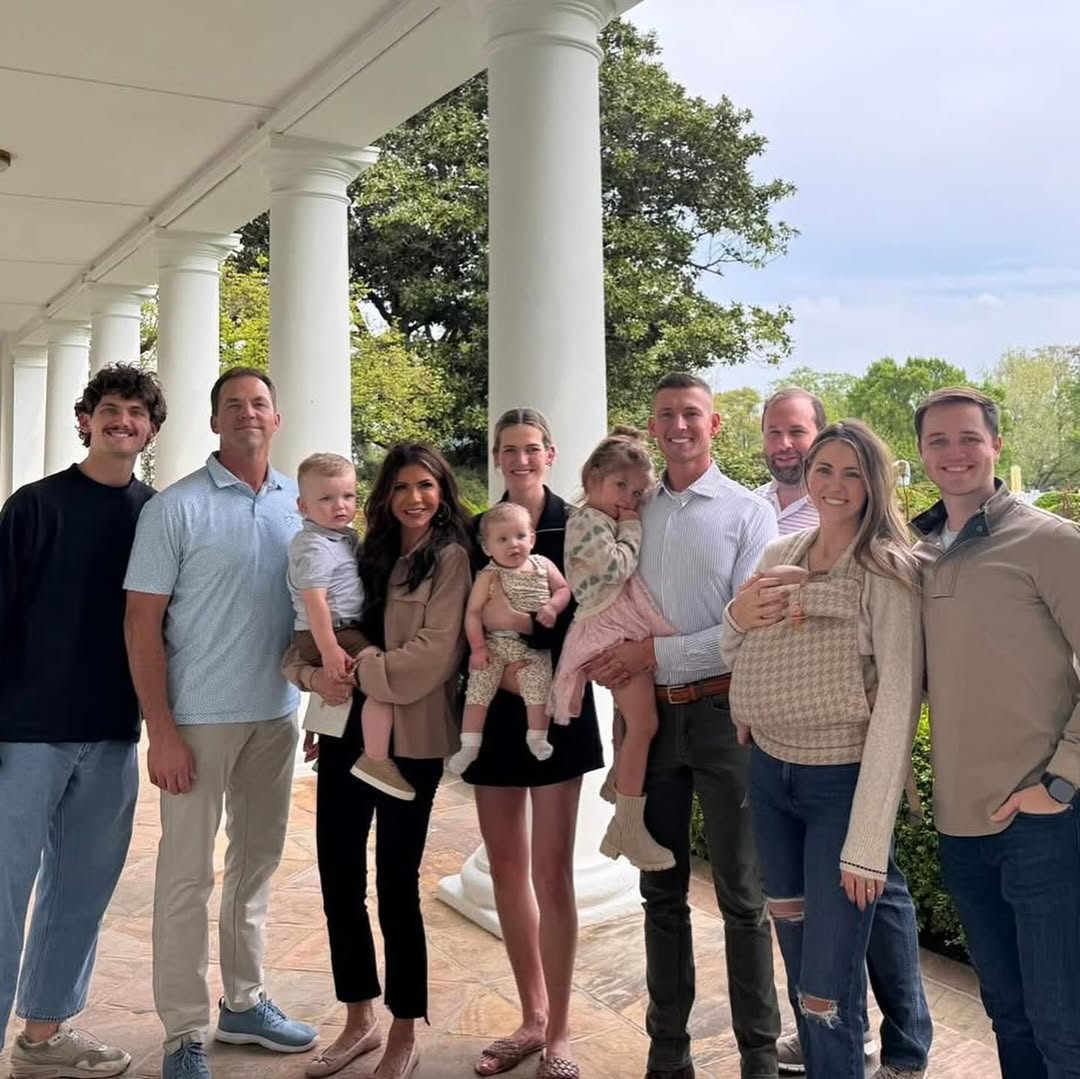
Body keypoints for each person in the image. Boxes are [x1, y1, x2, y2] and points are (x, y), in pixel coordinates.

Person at [587, 373, 781, 1079]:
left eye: (691, 413)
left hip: (725, 716)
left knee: (742, 898)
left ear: (714, 424)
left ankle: (759, 1057)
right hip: (647, 719)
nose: (678, 425)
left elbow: (747, 626)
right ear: (652, 424)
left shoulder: (748, 513)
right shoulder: (629, 508)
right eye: (665, 413)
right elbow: (600, 588)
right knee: (659, 892)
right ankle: (667, 1054)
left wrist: (652, 652)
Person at [124, 367, 315, 1079]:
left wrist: (321, 707)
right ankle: (183, 1031)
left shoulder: (301, 502)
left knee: (255, 867)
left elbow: (318, 611)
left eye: (260, 402)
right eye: (233, 404)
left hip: (278, 714)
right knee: (185, 878)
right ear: (214, 422)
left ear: (277, 417)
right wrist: (162, 731)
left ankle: (245, 1002)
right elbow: (140, 624)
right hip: (197, 723)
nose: (248, 413)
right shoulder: (174, 508)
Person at [724, 420, 930, 1079]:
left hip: (840, 782)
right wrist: (736, 618)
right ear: (807, 474)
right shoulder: (779, 551)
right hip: (769, 775)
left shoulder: (887, 571)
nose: (834, 484)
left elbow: (897, 700)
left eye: (852, 472)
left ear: (874, 483)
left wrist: (867, 840)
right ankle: (854, 1056)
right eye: (824, 469)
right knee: (795, 943)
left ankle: (865, 1054)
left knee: (824, 988)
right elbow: (737, 651)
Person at [282, 442, 472, 1079]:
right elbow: (305, 645)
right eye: (402, 487)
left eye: (426, 486)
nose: (414, 498)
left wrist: (355, 668)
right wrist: (315, 683)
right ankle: (358, 1017)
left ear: (442, 491)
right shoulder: (362, 551)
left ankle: (404, 1028)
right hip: (344, 733)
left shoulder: (450, 558)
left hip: (410, 743)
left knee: (395, 887)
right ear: (385, 495)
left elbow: (432, 657)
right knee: (338, 879)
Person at [0, 365, 165, 1079]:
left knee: (80, 890)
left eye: (136, 412)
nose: (123, 420)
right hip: (26, 731)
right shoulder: (34, 505)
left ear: (151, 430)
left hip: (111, 729)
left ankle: (42, 1038)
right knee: (2, 891)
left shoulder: (157, 515)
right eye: (110, 408)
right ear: (85, 420)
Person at [912, 386, 1080, 1079]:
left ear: (996, 446)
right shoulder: (919, 555)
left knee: (1064, 1026)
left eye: (969, 438)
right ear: (921, 453)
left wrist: (1062, 781)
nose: (954, 453)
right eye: (938, 440)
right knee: (1007, 1014)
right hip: (961, 826)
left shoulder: (1051, 541)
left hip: (1043, 822)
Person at [464, 408, 604, 1079]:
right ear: (497, 457)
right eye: (509, 449)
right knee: (506, 867)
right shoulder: (479, 531)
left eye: (531, 448)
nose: (520, 459)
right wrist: (505, 668)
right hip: (494, 713)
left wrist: (524, 644)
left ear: (550, 453)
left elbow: (586, 620)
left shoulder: (579, 527)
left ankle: (561, 1032)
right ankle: (532, 1015)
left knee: (552, 872)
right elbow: (467, 621)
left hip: (560, 709)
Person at [550, 427, 676, 872]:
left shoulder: (599, 518)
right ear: (592, 481)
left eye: (637, 492)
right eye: (620, 486)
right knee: (644, 724)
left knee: (628, 715)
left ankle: (620, 779)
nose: (629, 499)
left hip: (616, 620)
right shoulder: (589, 522)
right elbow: (615, 568)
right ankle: (626, 825)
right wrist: (633, 527)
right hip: (609, 626)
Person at [287, 452, 411, 800]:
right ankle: (375, 758)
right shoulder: (314, 546)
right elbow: (315, 602)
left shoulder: (343, 538)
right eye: (326, 499)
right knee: (380, 675)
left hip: (340, 630)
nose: (339, 505)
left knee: (347, 684)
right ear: (303, 506)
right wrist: (329, 650)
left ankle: (327, 739)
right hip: (331, 632)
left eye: (348, 496)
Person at [449, 501, 571, 774]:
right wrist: (478, 648)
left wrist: (552, 607)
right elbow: (473, 613)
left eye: (520, 536)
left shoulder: (543, 564)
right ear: (487, 547)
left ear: (532, 539)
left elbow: (563, 588)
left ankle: (537, 737)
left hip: (533, 647)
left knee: (539, 686)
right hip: (495, 643)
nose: (513, 544)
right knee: (478, 688)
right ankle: (469, 744)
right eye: (502, 539)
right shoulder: (488, 575)